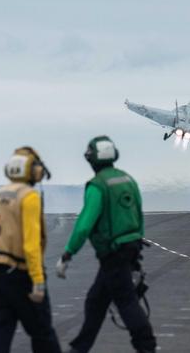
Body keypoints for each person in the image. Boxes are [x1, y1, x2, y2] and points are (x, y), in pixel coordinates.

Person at [55, 136, 156, 353]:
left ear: (92, 159)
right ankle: (79, 348)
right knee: (95, 301)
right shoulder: (128, 180)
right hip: (129, 249)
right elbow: (139, 215)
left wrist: (68, 253)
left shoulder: (97, 185)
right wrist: (135, 246)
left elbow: (84, 225)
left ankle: (147, 346)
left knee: (126, 302)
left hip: (113, 254)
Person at [0, 147, 61, 353]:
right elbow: (31, 244)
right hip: (21, 275)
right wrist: (38, 281)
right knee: (43, 334)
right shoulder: (29, 196)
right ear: (30, 170)